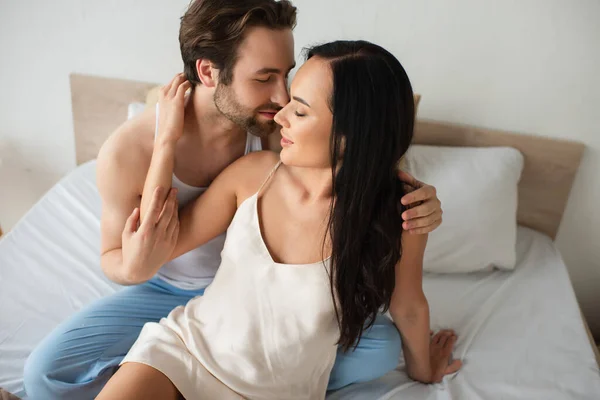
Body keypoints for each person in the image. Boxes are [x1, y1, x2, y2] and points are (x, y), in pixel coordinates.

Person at [23, 1, 444, 399]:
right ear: (209, 72)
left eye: (288, 80)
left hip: (259, 319)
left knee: (383, 345)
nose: (280, 101)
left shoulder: (271, 133)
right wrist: (165, 142)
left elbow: (357, 138)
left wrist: (409, 197)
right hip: (179, 305)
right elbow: (135, 260)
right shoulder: (150, 155)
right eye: (265, 79)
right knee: (43, 375)